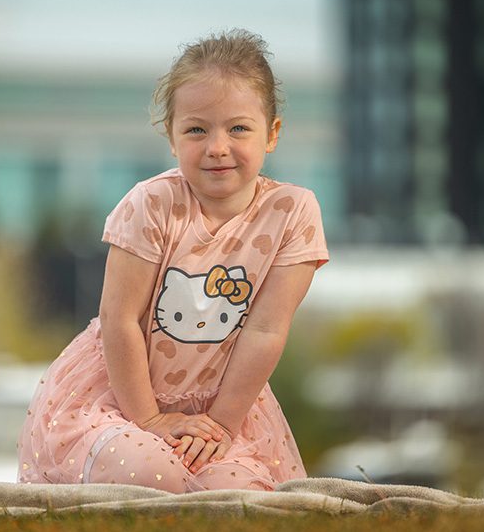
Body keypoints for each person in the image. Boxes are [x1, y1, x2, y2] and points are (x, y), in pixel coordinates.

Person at [17, 29, 329, 492]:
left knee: (237, 493)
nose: (217, 147)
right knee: (150, 473)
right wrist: (150, 418)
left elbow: (266, 330)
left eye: (238, 128)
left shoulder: (292, 214)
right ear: (171, 136)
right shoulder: (152, 204)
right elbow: (119, 318)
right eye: (196, 129)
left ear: (273, 134)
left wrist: (222, 425)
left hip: (225, 403)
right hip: (121, 396)